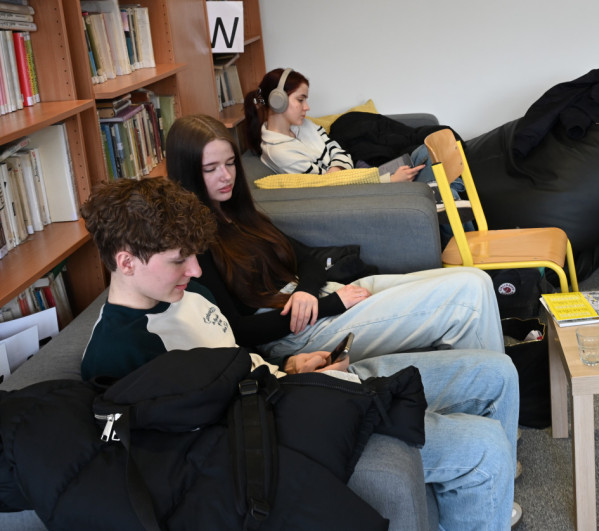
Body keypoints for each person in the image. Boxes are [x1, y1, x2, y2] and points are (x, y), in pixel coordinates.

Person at [79, 176, 521, 530]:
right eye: (180, 260)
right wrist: (298, 388)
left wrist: (290, 366)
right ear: (126, 262)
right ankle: (482, 492)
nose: (195, 270)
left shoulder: (188, 293)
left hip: (295, 385)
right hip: (290, 428)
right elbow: (201, 454)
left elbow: (236, 356)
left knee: (497, 372)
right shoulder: (120, 353)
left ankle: (484, 502)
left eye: (195, 256)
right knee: (485, 447)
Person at [166, 113, 500, 363]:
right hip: (294, 332)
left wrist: (307, 292)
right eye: (211, 168)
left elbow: (308, 257)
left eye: (229, 163)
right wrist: (329, 304)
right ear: (188, 171)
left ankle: (481, 399)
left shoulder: (238, 214)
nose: (226, 176)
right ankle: (495, 406)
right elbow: (236, 330)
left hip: (318, 298)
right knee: (467, 293)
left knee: (476, 279)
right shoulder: (195, 245)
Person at [244, 67, 427, 182]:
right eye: (300, 100)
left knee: (422, 151)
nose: (307, 107)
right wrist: (389, 181)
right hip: (361, 186)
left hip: (359, 174)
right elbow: (329, 187)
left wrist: (336, 169)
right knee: (425, 161)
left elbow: (340, 151)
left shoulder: (303, 125)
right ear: (278, 101)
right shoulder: (278, 152)